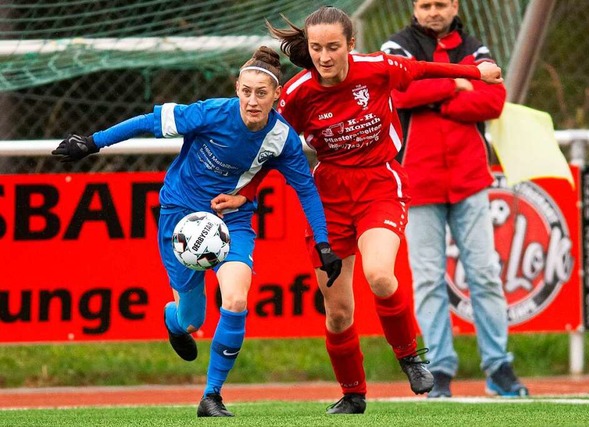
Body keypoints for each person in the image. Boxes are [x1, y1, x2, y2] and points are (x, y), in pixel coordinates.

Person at [211, 6, 503, 414]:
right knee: (338, 311)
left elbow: (419, 70)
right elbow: (274, 148)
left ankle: (410, 358)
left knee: (380, 274)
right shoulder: (296, 94)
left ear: (350, 44)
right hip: (328, 196)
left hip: (380, 183)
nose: (325, 57)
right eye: (316, 49)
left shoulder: (376, 68)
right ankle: (352, 393)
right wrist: (248, 192)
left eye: (333, 47)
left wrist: (477, 73)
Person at [51, 46, 342, 418]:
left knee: (235, 300)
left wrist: (323, 242)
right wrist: (92, 143)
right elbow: (147, 122)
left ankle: (211, 396)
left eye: (262, 93)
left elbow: (305, 190)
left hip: (230, 221)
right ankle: (174, 321)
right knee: (192, 320)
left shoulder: (281, 138)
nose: (253, 101)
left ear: (277, 95)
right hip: (181, 218)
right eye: (247, 91)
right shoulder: (209, 113)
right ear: (237, 88)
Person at [381, 0, 528, 397]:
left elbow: (493, 101)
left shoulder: (476, 48)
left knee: (484, 276)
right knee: (428, 280)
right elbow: (395, 93)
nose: (433, 11)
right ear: (414, 6)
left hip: (470, 180)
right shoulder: (396, 48)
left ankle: (499, 368)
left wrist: (431, 94)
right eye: (426, 4)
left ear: (454, 5)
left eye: (440, 4)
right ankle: (439, 373)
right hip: (418, 181)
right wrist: (456, 84)